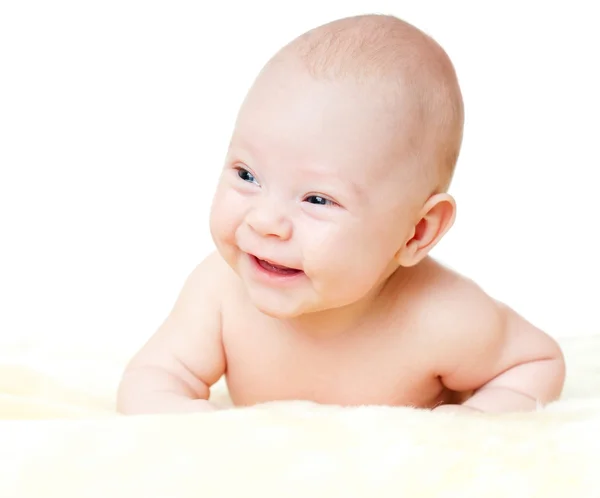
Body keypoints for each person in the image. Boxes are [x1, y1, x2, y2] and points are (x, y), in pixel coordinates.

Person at [117, 14, 565, 415]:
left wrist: (480, 420)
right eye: (247, 174)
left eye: (317, 200)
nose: (264, 221)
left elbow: (536, 362)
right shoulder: (219, 293)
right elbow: (153, 377)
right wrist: (183, 424)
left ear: (417, 232)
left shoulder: (441, 316)